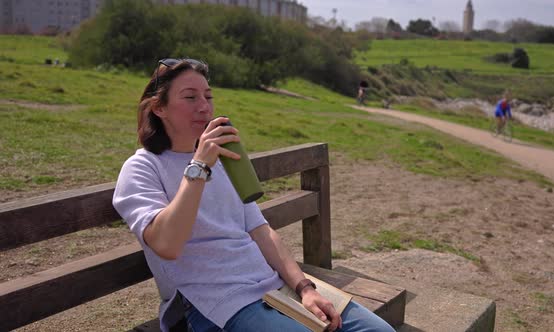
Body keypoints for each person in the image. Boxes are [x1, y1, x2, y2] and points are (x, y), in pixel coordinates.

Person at [112, 58, 395, 332]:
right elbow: (167, 245)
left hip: (273, 285)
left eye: (208, 97)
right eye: (190, 98)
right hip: (216, 303)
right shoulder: (142, 168)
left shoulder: (224, 162)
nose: (204, 107)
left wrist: (305, 288)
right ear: (159, 107)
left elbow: (261, 231)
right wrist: (199, 166)